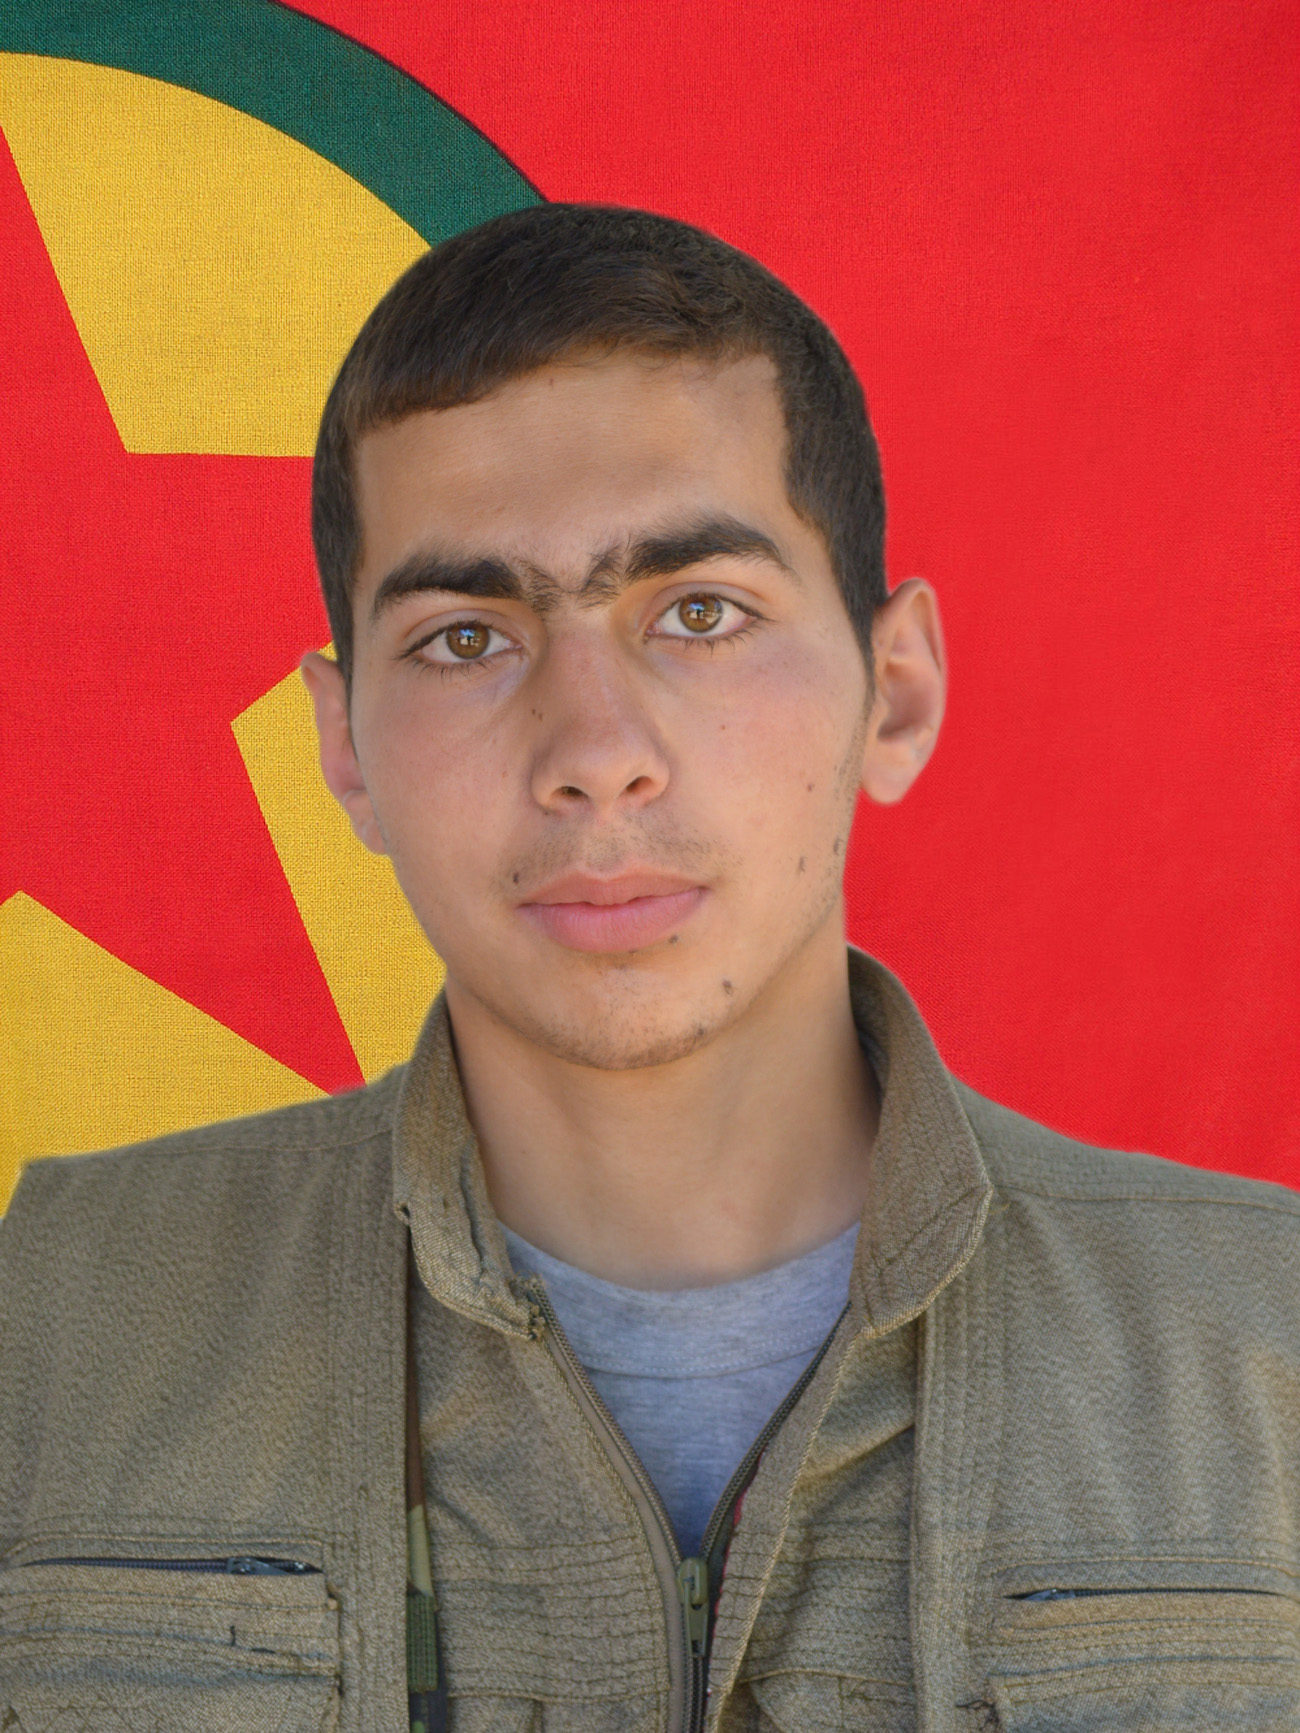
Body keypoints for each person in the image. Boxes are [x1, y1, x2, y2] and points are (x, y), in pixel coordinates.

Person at [1, 205, 1297, 1733]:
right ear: (346, 750)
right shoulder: (52, 1321)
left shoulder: (1268, 1343)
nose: (595, 751)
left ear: (894, 692)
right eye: (466, 638)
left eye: (699, 613)